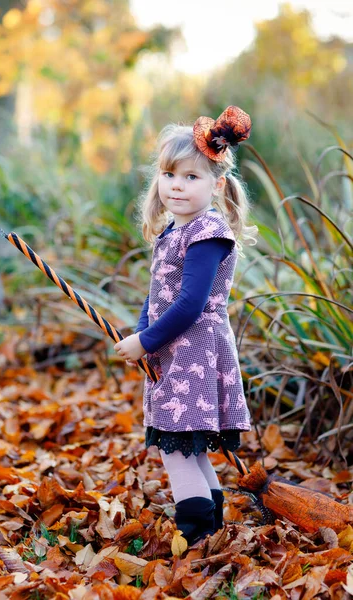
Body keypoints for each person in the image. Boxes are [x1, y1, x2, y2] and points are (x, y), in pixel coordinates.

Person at [114, 106, 258, 545]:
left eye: (191, 177)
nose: (177, 185)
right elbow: (157, 296)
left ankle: (194, 539)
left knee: (177, 450)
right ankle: (212, 533)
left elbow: (191, 304)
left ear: (216, 186)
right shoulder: (173, 232)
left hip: (194, 352)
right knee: (189, 449)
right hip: (174, 351)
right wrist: (141, 336)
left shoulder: (207, 232)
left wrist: (147, 340)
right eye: (170, 175)